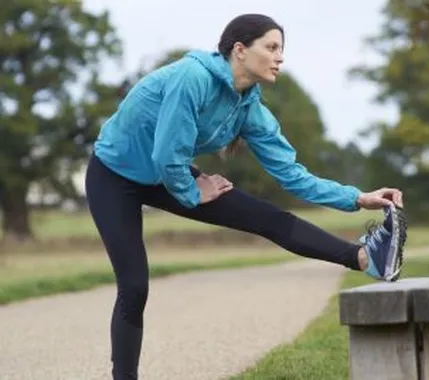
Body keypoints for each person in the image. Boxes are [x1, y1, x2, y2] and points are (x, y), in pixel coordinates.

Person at [85, 13, 407, 380]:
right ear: (240, 50)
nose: (279, 57)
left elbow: (292, 174)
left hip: (168, 172)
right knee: (134, 285)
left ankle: (366, 257)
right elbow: (164, 155)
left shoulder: (249, 107)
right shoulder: (192, 79)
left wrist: (356, 198)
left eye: (281, 50)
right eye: (271, 47)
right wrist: (194, 190)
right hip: (114, 174)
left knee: (265, 216)